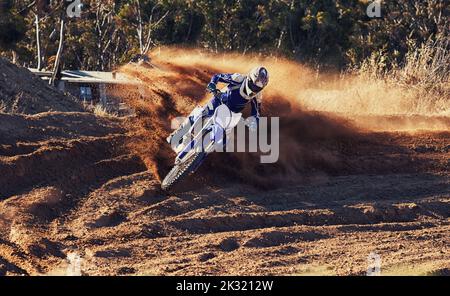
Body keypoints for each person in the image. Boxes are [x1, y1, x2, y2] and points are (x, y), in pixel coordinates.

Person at [167, 66, 269, 149]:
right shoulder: (238, 78)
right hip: (219, 101)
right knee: (201, 115)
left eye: (260, 86)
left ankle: (202, 153)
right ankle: (178, 135)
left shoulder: (258, 95)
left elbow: (256, 112)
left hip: (231, 114)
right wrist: (212, 84)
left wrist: (253, 122)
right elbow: (218, 76)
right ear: (251, 78)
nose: (256, 88)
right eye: (256, 83)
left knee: (225, 140)